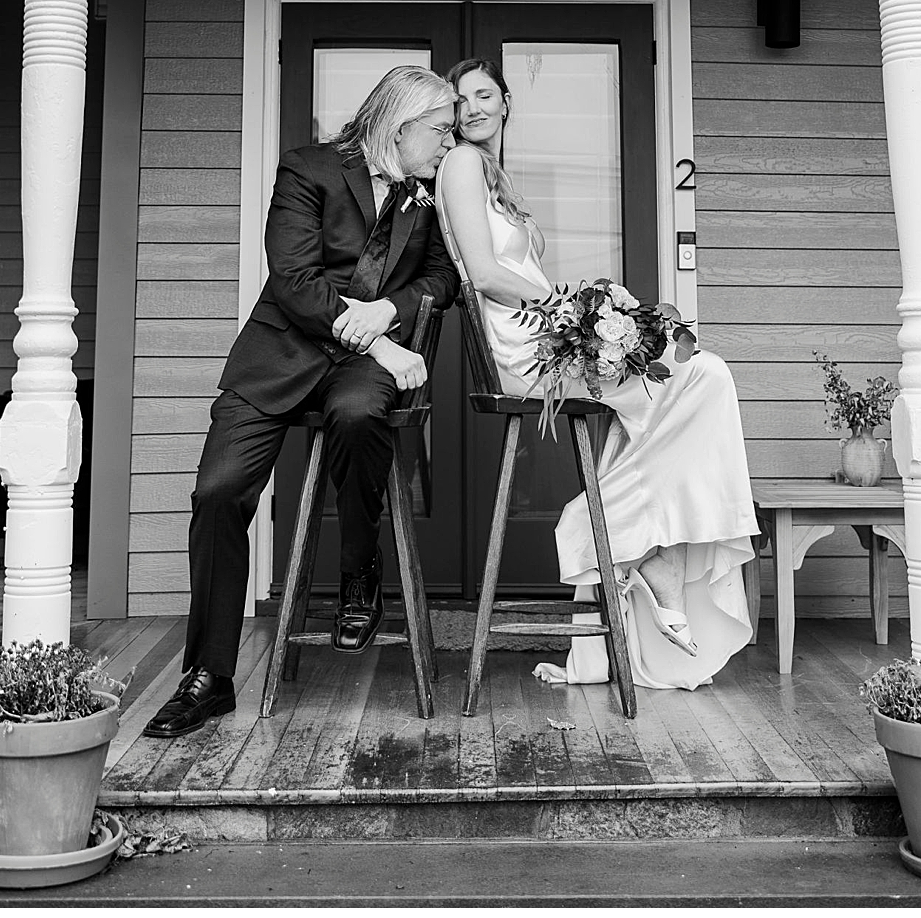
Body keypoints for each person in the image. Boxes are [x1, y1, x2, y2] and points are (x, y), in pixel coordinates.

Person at [145, 65, 462, 738]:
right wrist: (379, 340)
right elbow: (292, 279)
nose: (447, 142)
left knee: (357, 413)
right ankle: (209, 676)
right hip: (281, 352)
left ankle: (359, 575)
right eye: (439, 130)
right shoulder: (309, 169)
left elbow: (442, 279)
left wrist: (388, 311)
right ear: (401, 126)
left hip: (358, 374)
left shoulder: (427, 193)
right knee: (218, 491)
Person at [438, 57, 759, 690]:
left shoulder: (497, 177)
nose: (472, 107)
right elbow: (484, 275)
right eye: (460, 100)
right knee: (704, 376)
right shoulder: (461, 164)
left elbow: (519, 276)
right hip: (525, 350)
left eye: (483, 94)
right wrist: (576, 312)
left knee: (673, 394)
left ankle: (627, 550)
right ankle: (627, 550)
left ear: (505, 102)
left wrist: (587, 307)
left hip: (544, 332)